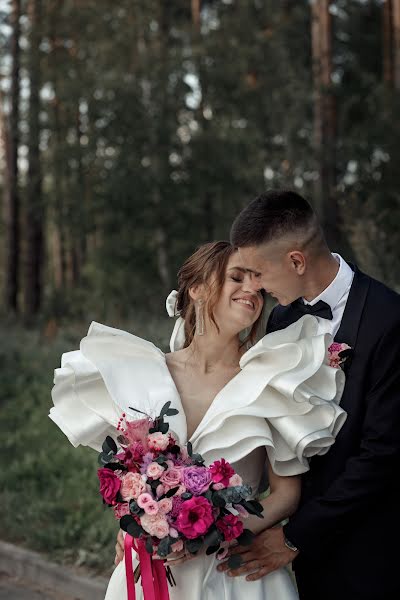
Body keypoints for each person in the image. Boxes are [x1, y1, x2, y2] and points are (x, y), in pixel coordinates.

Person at [50, 240, 346, 600]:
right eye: (237, 277)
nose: (252, 289)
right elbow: (130, 476)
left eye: (257, 282)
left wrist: (213, 535)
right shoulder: (145, 372)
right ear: (199, 289)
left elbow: (285, 495)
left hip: (234, 574)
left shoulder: (273, 380)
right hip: (152, 573)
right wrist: (142, 525)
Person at [215, 190, 400, 600]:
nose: (256, 288)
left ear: (296, 261)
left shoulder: (389, 320)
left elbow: (384, 454)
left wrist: (295, 536)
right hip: (303, 552)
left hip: (371, 547)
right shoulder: (281, 319)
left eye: (259, 274)